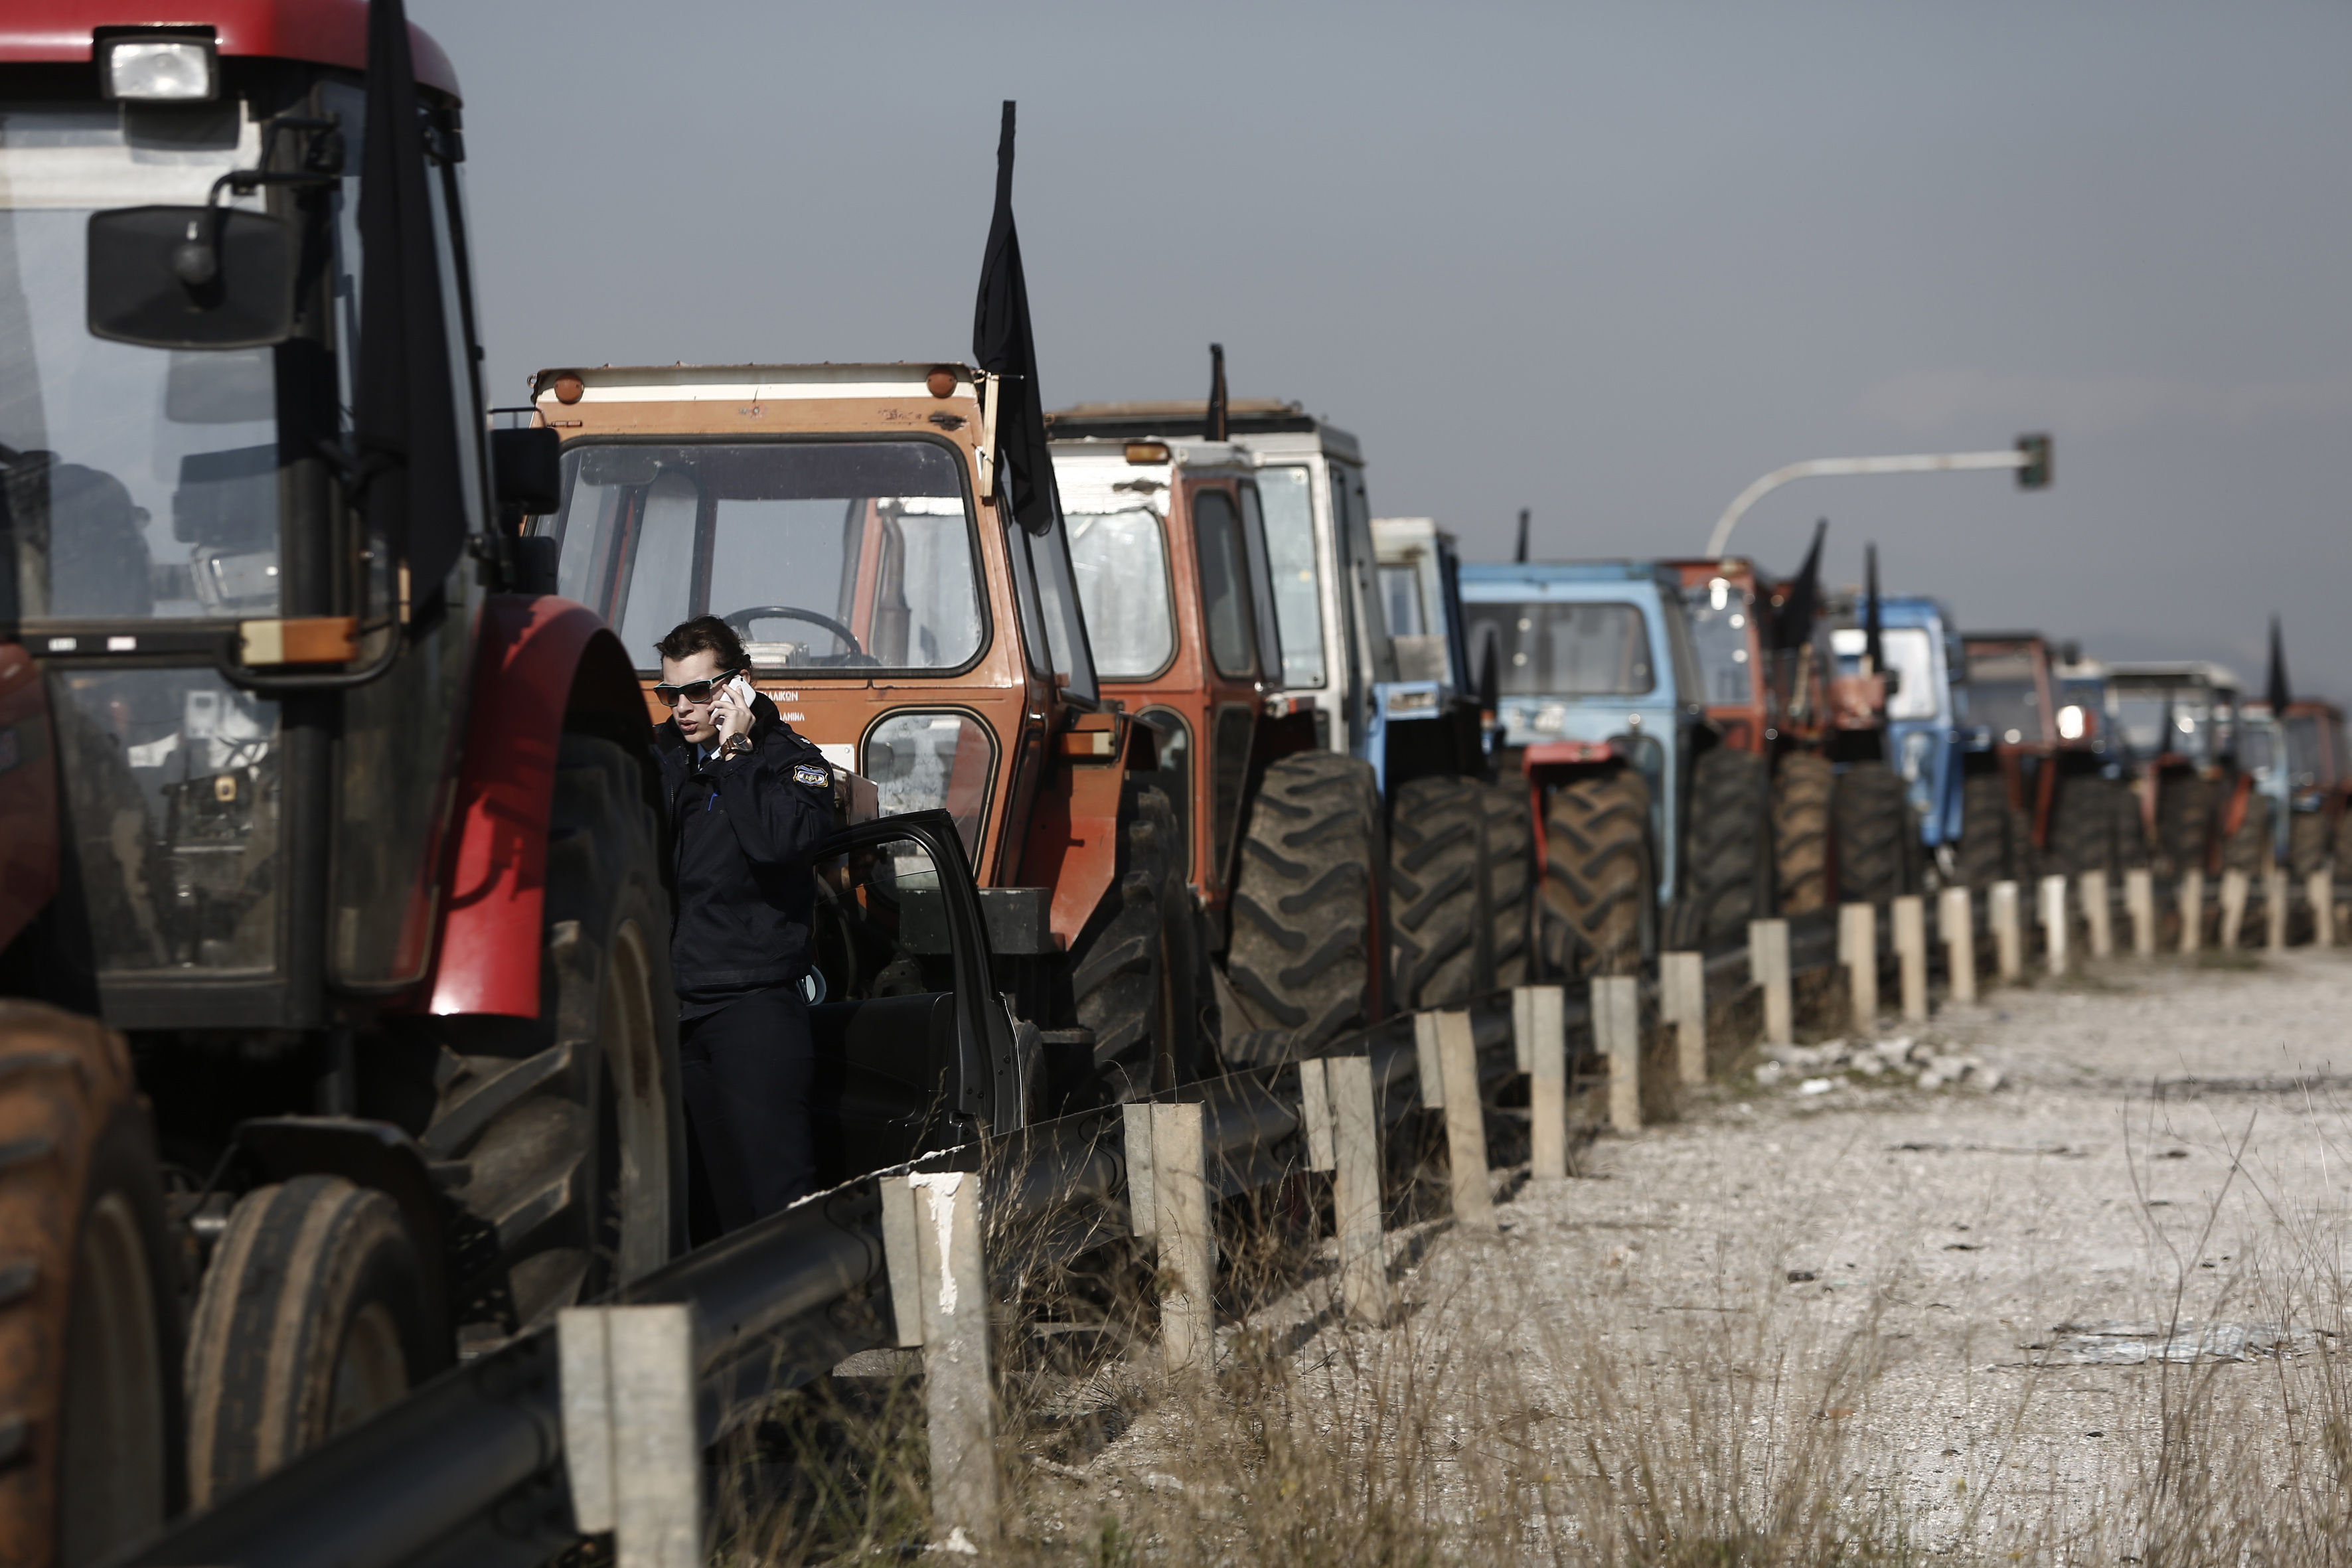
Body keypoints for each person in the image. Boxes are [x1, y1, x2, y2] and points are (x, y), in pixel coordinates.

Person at [649, 615, 835, 1232]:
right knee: (703, 1209)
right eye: (670, 693)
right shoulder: (659, 760)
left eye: (699, 692)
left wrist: (734, 755)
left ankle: (811, 1323)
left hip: (752, 1008)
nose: (682, 708)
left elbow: (781, 845)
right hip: (670, 1012)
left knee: (777, 1198)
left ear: (740, 686)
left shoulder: (793, 764)